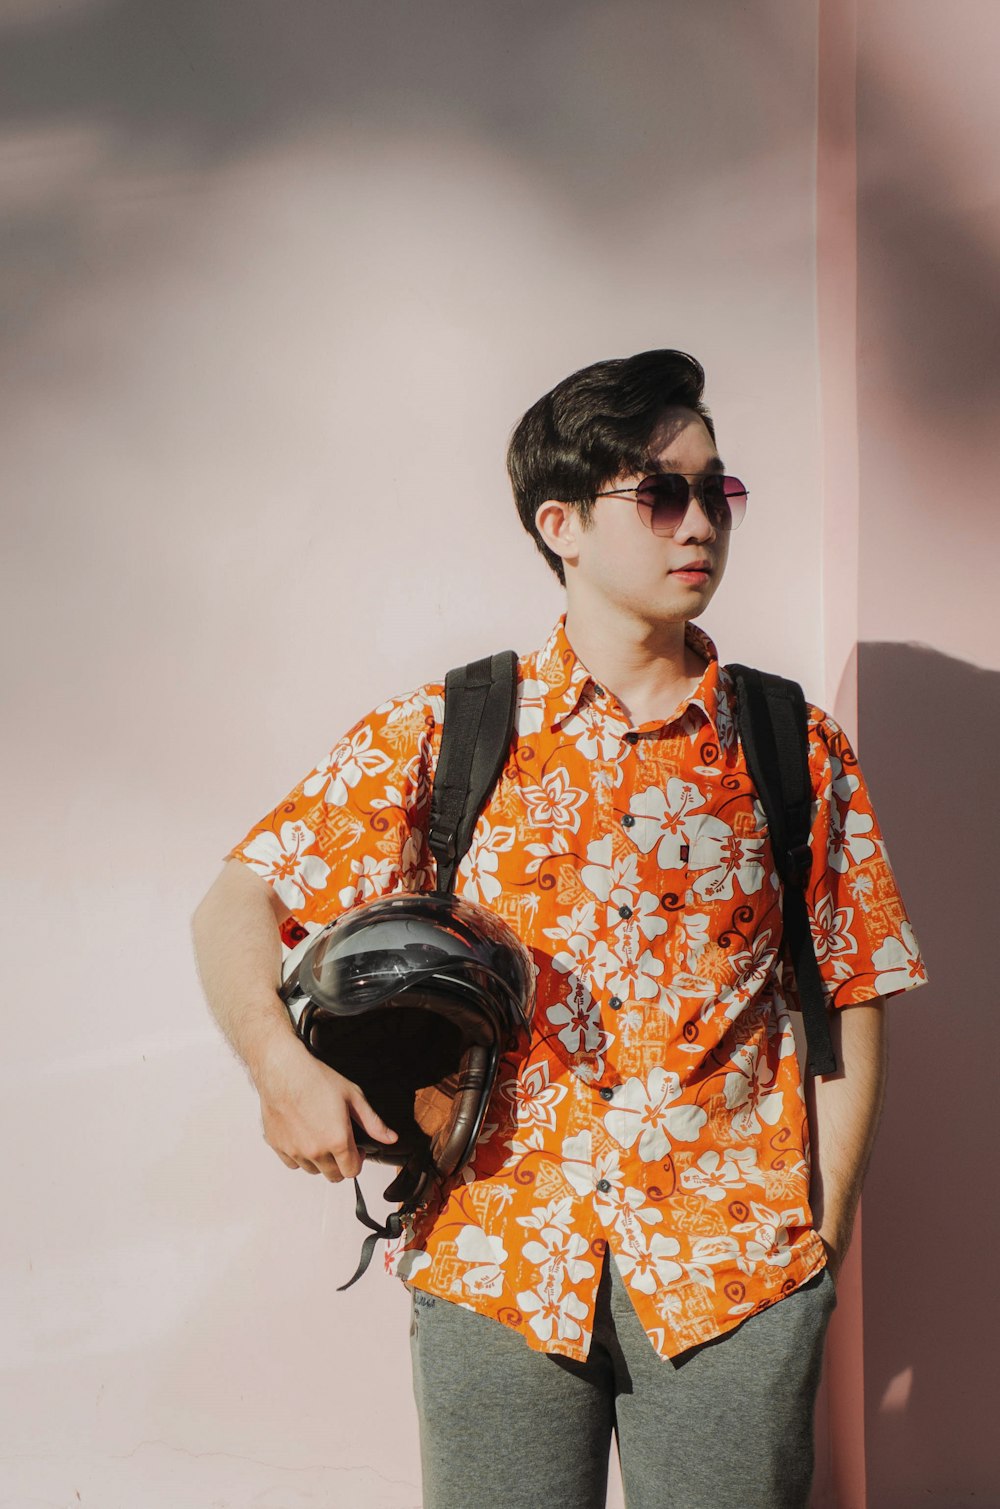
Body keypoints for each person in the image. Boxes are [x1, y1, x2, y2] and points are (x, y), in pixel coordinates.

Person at [191, 349, 928, 1509]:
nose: (702, 524)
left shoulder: (790, 745)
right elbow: (237, 897)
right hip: (496, 1259)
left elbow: (853, 982)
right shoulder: (455, 726)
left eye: (715, 491)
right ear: (563, 523)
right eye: (662, 493)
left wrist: (820, 1234)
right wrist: (279, 1067)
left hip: (734, 1272)